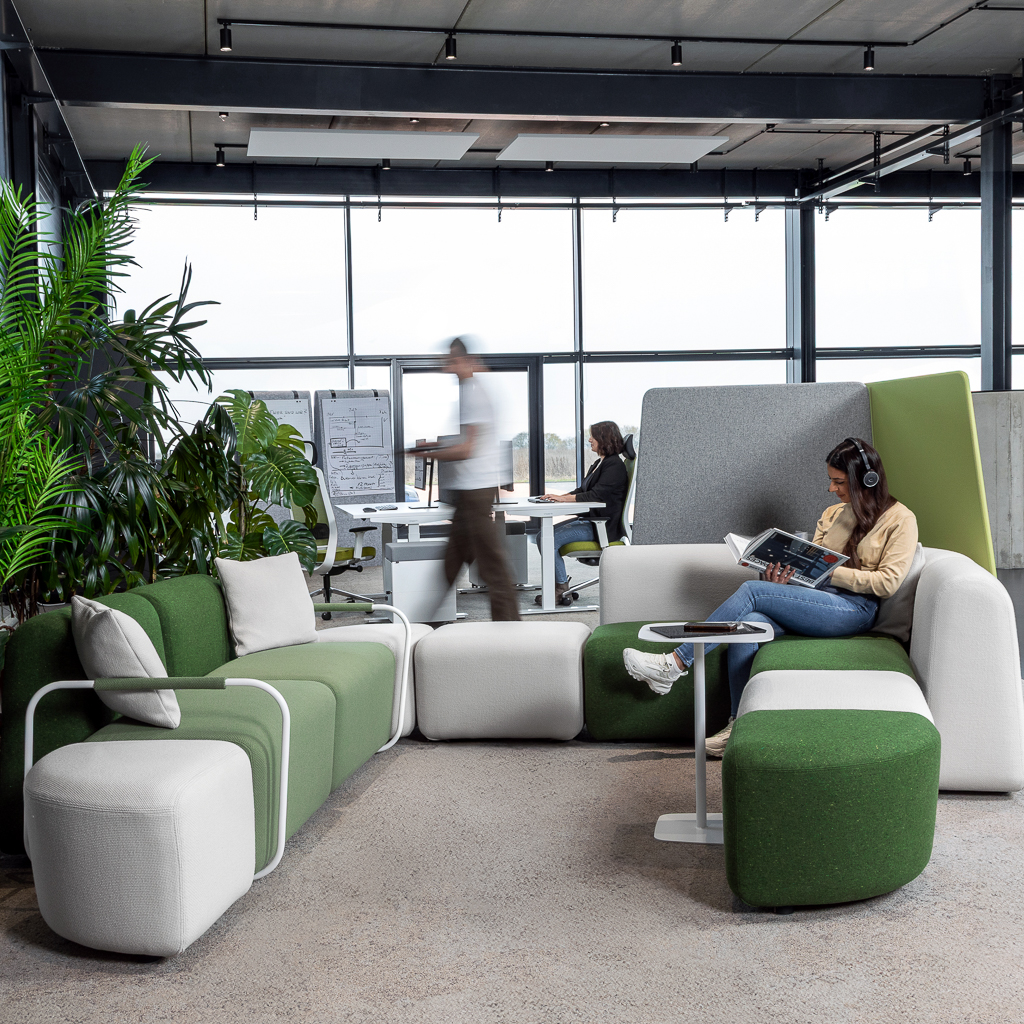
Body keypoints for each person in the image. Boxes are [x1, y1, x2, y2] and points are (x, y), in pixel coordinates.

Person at [621, 437, 918, 757]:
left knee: (752, 591)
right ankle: (737, 727)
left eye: (839, 482)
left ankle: (675, 663)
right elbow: (812, 566)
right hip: (816, 601)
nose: (831, 489)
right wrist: (787, 580)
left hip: (854, 609)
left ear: (866, 479)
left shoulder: (900, 519)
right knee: (748, 624)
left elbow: (888, 583)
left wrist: (830, 573)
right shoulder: (833, 514)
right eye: (831, 480)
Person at [415, 337, 521, 621]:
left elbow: (467, 449)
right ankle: (423, 623)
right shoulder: (472, 390)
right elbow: (470, 443)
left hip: (476, 491)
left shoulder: (473, 392)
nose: (446, 365)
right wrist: (435, 448)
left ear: (464, 360)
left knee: (493, 566)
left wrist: (428, 453)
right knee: (452, 561)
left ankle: (512, 632)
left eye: (450, 359)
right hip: (469, 491)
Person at [535, 421, 630, 604]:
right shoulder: (599, 463)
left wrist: (563, 499)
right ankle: (561, 587)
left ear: (604, 438)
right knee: (542, 536)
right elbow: (582, 490)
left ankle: (561, 589)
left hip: (601, 526)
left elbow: (595, 495)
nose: (589, 440)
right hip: (591, 521)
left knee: (548, 539)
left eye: (593, 436)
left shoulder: (614, 466)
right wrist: (558, 497)